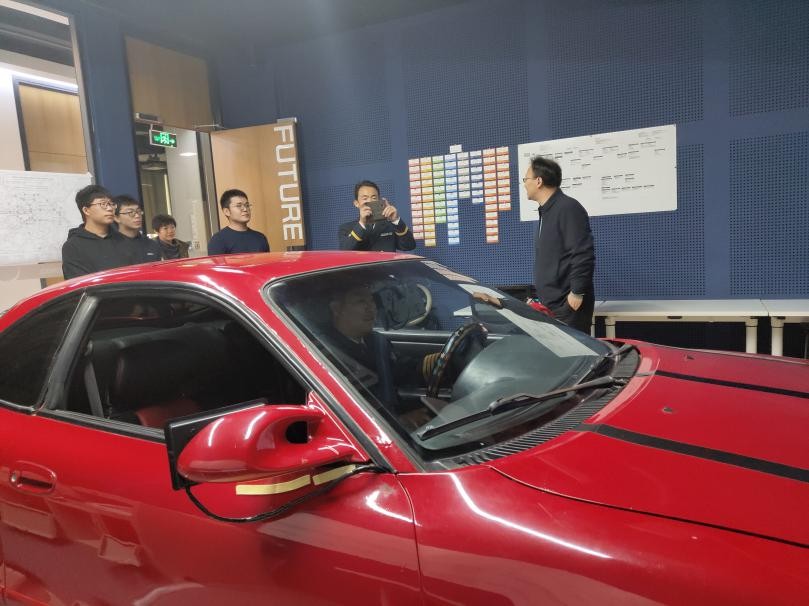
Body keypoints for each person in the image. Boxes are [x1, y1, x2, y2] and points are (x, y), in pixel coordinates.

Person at [523, 156, 595, 333]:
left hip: (567, 307)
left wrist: (576, 293)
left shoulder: (568, 208)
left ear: (538, 181)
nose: (524, 184)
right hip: (552, 305)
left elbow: (582, 253)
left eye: (526, 179)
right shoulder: (547, 211)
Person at [61, 185, 130, 279]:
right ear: (86, 210)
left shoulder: (123, 240)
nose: (110, 209)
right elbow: (79, 283)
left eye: (111, 204)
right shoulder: (73, 246)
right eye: (103, 204)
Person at [338, 180, 416, 252]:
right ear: (356, 203)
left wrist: (396, 220)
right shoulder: (346, 228)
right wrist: (361, 224)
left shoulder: (389, 225)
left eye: (374, 198)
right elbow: (345, 251)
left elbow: (409, 246)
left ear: (379, 201)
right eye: (365, 198)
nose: (370, 201)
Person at [207, 189, 270, 255]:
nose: (245, 209)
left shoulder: (260, 237)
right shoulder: (218, 240)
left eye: (247, 205)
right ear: (227, 211)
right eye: (239, 206)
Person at [113, 195, 162, 264]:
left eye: (138, 211)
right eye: (130, 212)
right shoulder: (110, 246)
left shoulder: (152, 244)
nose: (137, 216)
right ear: (116, 218)